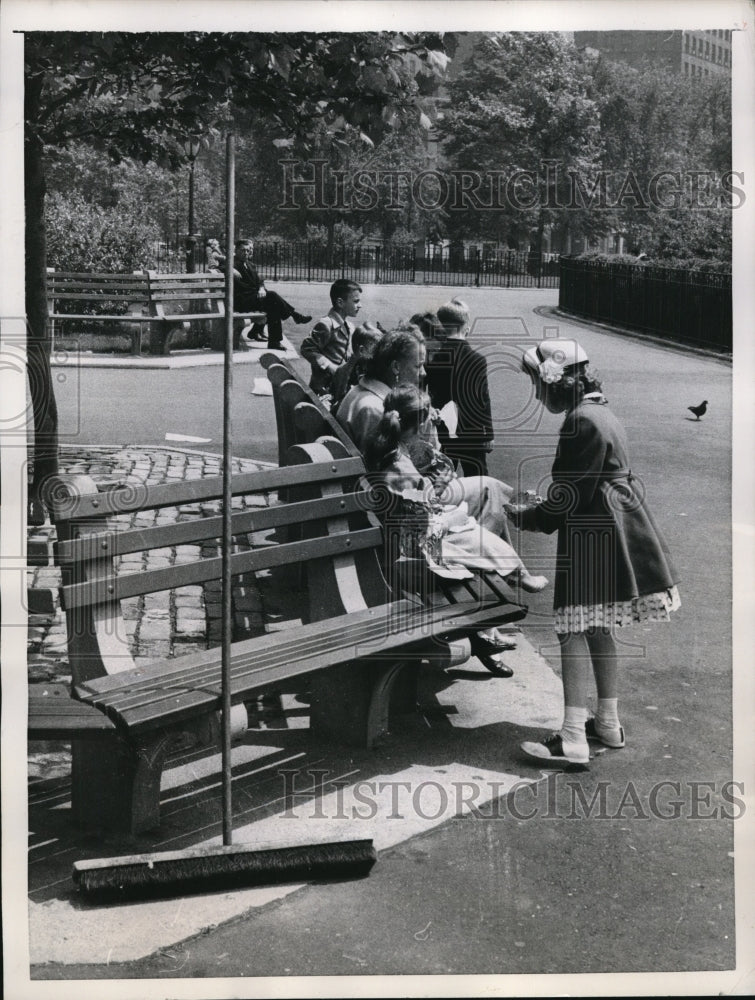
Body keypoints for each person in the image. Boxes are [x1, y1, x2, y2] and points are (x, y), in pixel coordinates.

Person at [509, 339, 681, 766]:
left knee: (571, 629)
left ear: (557, 381)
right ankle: (607, 722)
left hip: (593, 532)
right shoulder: (601, 411)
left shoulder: (579, 421)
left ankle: (572, 738)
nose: (536, 393)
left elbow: (570, 497)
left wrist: (529, 516)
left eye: (537, 382)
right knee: (599, 626)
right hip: (615, 526)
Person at [365, 384, 547, 673]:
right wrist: (455, 515)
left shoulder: (392, 451)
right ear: (420, 423)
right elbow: (427, 525)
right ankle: (516, 576)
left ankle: (513, 579)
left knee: (474, 526)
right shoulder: (404, 470)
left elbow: (418, 508)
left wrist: (441, 498)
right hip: (418, 551)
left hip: (406, 536)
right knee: (475, 535)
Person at [424, 298, 494, 476]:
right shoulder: (477, 360)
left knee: (443, 476)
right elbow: (483, 399)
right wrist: (488, 434)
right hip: (473, 431)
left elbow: (431, 395)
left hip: (444, 429)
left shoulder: (434, 359)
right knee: (478, 477)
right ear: (467, 329)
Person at [232, 239, 311, 350]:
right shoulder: (232, 263)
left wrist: (261, 288)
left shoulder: (250, 265)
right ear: (236, 250)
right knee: (272, 296)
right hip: (241, 302)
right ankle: (295, 315)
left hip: (253, 299)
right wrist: (231, 270)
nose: (245, 253)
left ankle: (274, 342)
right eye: (242, 250)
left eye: (247, 251)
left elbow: (259, 280)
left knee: (274, 306)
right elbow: (218, 267)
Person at [300, 279, 362, 396]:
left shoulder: (349, 326)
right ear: (340, 302)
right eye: (356, 301)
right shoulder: (326, 324)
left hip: (339, 386)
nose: (360, 305)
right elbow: (307, 349)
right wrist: (329, 366)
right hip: (324, 390)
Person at [329, 321, 385, 415]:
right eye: (376, 349)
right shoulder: (347, 373)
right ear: (362, 350)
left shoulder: (353, 366)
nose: (379, 353)